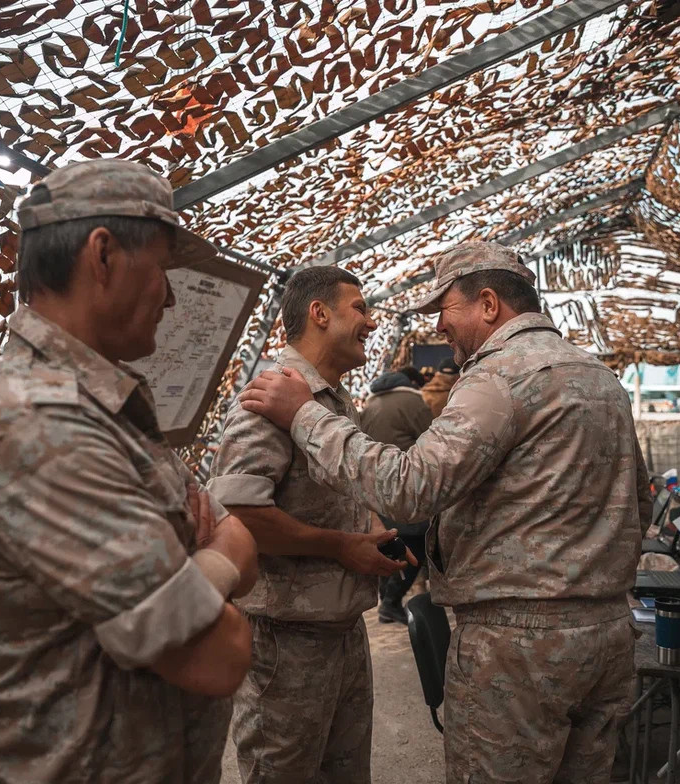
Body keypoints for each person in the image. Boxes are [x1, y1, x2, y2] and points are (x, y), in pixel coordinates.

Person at [239, 241, 651, 783]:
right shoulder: (599, 377)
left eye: (445, 310)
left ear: (487, 303)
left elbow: (409, 490)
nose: (440, 328)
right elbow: (639, 504)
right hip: (608, 636)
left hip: (520, 645)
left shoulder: (499, 378)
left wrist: (305, 417)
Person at [0, 160, 259, 784]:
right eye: (164, 270)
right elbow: (218, 657)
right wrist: (216, 568)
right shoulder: (40, 423)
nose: (171, 297)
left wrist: (202, 573)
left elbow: (240, 537)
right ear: (104, 254)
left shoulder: (104, 405)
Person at [207, 266, 411, 784]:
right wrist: (343, 547)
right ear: (319, 314)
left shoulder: (331, 399)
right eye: (360, 308)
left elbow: (334, 491)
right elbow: (241, 514)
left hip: (339, 633)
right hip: (286, 643)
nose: (370, 320)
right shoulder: (271, 397)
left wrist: (374, 535)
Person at [360, 367, 435, 623]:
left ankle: (386, 597)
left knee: (387, 541)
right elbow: (431, 445)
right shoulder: (414, 401)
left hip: (376, 486)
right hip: (406, 485)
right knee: (416, 544)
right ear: (413, 382)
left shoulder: (370, 404)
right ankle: (391, 602)